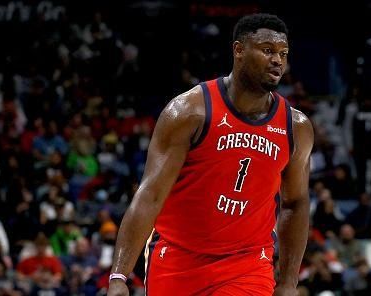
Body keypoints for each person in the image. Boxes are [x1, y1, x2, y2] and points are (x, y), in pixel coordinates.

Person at [108, 13, 314, 296]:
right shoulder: (188, 112)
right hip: (178, 259)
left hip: (248, 264)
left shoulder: (296, 127)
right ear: (238, 50)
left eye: (283, 53)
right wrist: (119, 275)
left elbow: (296, 203)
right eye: (267, 50)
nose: (277, 60)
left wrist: (289, 281)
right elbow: (150, 195)